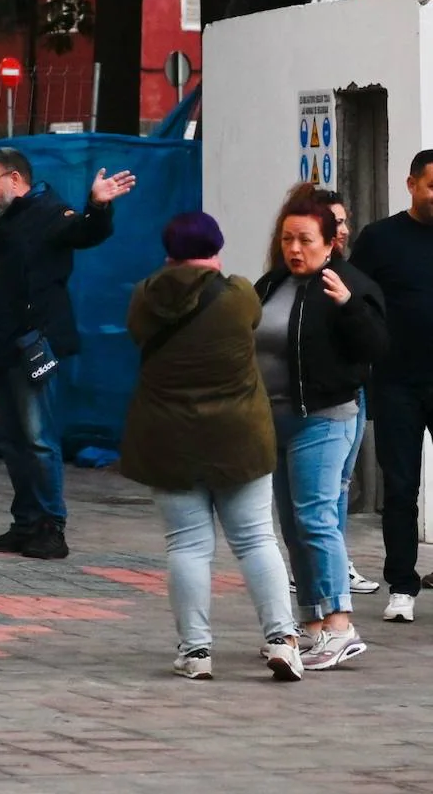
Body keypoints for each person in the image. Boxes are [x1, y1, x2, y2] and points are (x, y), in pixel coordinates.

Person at [120, 212, 303, 681]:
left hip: (169, 437)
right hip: (238, 436)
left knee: (187, 546)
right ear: (216, 248)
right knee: (256, 539)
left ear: (168, 252)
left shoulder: (145, 296)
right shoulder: (239, 295)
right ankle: (282, 639)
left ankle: (196, 652)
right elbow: (253, 319)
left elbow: (139, 334)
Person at [0, 148, 136, 560]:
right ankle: (25, 523)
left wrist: (97, 206)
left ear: (16, 180)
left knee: (38, 439)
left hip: (30, 345)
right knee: (9, 439)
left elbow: (85, 234)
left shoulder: (49, 213)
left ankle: (51, 524)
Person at [255, 185, 387, 670]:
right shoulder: (270, 285)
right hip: (277, 420)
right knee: (292, 525)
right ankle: (311, 627)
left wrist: (351, 305)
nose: (295, 249)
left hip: (325, 419)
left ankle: (340, 623)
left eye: (306, 240)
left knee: (316, 519)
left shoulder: (350, 283)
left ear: (330, 243)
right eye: (288, 239)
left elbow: (375, 348)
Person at [350, 150, 433, 623]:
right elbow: (354, 298)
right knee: (401, 488)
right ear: (411, 184)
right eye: (432, 187)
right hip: (397, 381)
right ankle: (402, 585)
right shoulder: (380, 239)